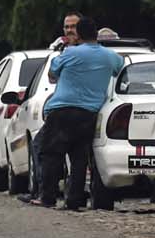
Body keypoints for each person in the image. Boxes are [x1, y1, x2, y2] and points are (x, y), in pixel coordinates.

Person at [33, 16, 123, 210]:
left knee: (51, 153)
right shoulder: (110, 56)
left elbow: (52, 74)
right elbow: (119, 69)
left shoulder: (70, 53)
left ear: (79, 34)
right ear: (96, 34)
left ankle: (47, 197)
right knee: (79, 158)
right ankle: (74, 200)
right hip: (89, 113)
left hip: (62, 111)